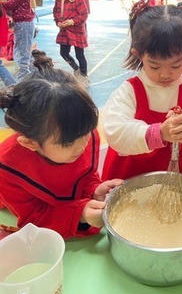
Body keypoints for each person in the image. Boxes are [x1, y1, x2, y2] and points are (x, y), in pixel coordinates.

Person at [100, 2, 182, 182]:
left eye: (176, 65)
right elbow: (115, 131)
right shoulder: (130, 91)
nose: (165, 74)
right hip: (132, 176)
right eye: (154, 66)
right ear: (138, 54)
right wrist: (159, 133)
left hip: (180, 174)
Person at [0, 64, 121, 236]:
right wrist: (80, 215)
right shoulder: (8, 167)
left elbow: (85, 174)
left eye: (86, 133)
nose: (82, 146)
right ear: (30, 143)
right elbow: (34, 217)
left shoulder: (83, 132)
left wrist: (95, 189)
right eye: (68, 143)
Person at [0, 0, 36, 79]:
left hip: (24, 24)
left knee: (22, 53)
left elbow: (11, 4)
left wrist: (1, 4)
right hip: (21, 23)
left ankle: (23, 80)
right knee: (21, 51)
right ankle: (30, 76)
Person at [53, 0, 90, 79]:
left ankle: (84, 75)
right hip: (64, 31)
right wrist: (58, 22)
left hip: (77, 31)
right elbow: (56, 12)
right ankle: (76, 69)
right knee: (63, 53)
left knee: (80, 55)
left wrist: (72, 21)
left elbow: (84, 14)